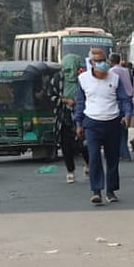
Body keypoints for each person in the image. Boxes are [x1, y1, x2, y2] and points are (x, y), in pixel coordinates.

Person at [75, 46, 133, 206]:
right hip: (92, 123)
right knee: (94, 157)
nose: (102, 64)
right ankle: (96, 191)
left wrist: (127, 114)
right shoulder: (83, 79)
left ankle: (111, 190)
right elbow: (80, 103)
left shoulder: (114, 78)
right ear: (91, 62)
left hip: (112, 122)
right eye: (98, 61)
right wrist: (78, 123)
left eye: (103, 60)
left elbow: (124, 99)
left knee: (113, 158)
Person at [50, 54, 88, 184]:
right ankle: (70, 171)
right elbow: (50, 96)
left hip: (82, 115)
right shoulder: (57, 80)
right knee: (66, 145)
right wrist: (65, 100)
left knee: (83, 144)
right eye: (67, 70)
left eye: (73, 69)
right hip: (64, 117)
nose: (70, 73)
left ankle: (88, 164)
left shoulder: (84, 79)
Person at [110, 53, 134, 162]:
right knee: (124, 128)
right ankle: (123, 152)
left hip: (119, 100)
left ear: (111, 61)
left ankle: (123, 152)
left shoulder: (112, 72)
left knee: (118, 129)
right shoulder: (125, 70)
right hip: (128, 99)